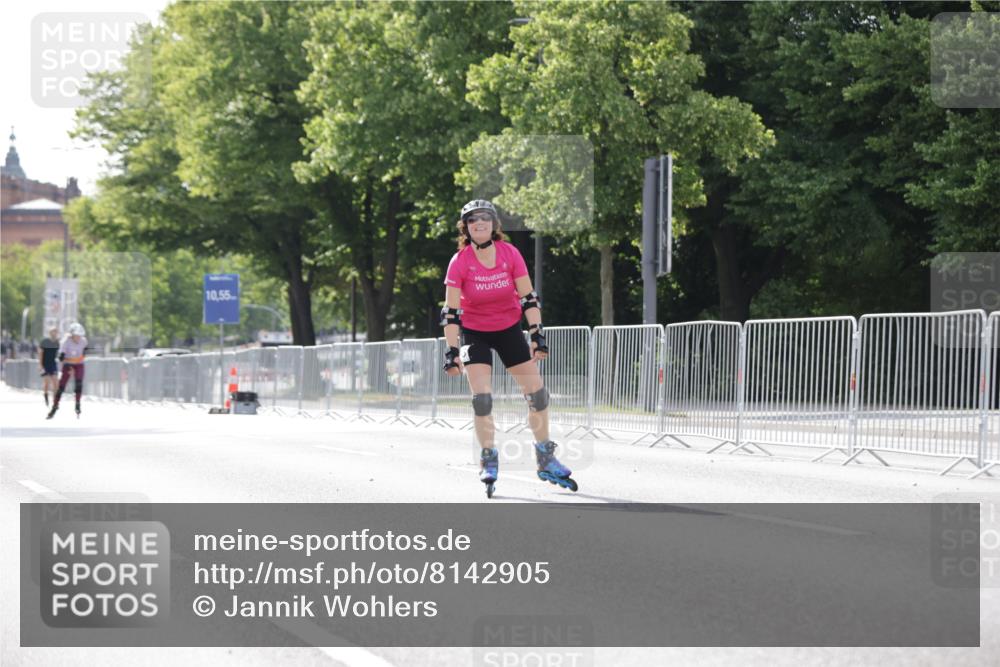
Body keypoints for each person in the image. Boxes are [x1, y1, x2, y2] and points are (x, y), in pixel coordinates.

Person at [441, 199, 577, 497]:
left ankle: (545, 455)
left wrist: (536, 336)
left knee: (537, 395)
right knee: (483, 399)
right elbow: (451, 313)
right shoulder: (460, 261)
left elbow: (528, 298)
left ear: (494, 224)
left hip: (508, 330)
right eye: (473, 220)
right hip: (475, 332)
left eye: (485, 219)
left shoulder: (509, 253)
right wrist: (452, 352)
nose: (479, 224)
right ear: (465, 227)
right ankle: (488, 458)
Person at [47, 322, 87, 419]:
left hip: (79, 364)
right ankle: (55, 406)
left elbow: (84, 353)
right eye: (76, 336)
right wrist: (63, 356)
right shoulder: (66, 341)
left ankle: (77, 403)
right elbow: (61, 356)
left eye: (80, 336)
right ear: (72, 335)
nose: (78, 338)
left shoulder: (84, 341)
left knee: (79, 384)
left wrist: (78, 361)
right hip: (68, 365)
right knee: (61, 387)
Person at [38, 328, 61, 406]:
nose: (54, 333)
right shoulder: (45, 341)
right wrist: (40, 365)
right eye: (53, 331)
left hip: (53, 364)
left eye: (56, 331)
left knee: (56, 382)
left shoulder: (57, 342)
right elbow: (40, 353)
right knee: (47, 382)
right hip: (45, 364)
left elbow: (60, 352)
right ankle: (45, 395)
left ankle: (55, 401)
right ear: (50, 333)